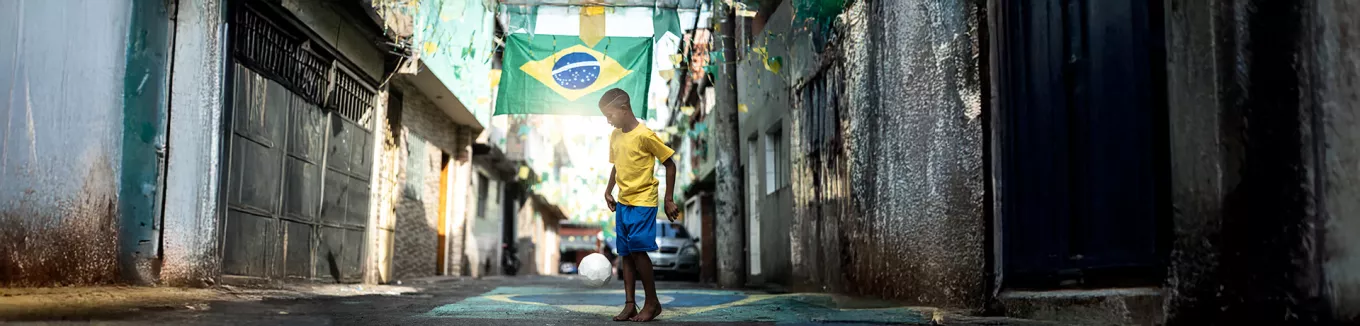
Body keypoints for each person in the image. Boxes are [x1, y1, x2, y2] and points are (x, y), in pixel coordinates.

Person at [599, 88, 679, 322]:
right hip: (623, 201)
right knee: (625, 252)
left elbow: (670, 164)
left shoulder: (645, 135)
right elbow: (617, 165)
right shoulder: (615, 136)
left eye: (610, 115)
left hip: (643, 200)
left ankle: (652, 303)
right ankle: (630, 304)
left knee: (637, 249)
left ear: (624, 110)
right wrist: (608, 190)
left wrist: (669, 199)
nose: (608, 121)